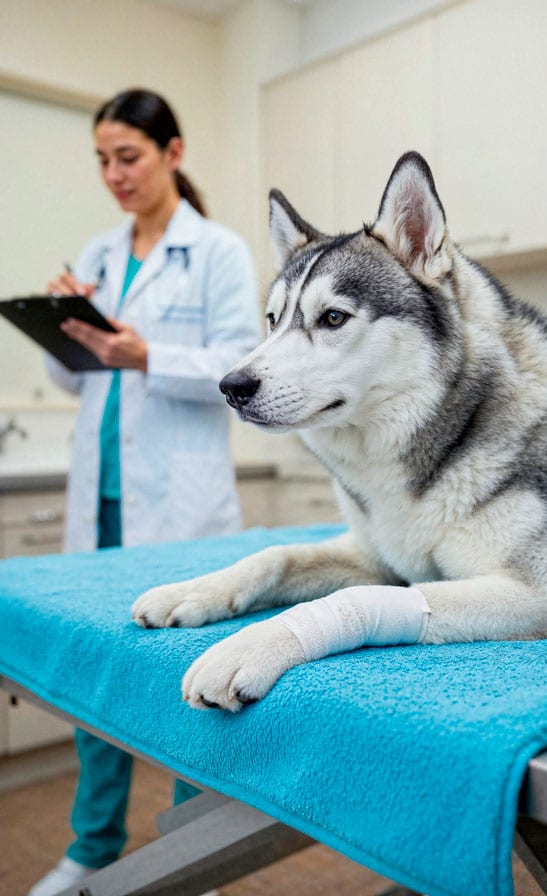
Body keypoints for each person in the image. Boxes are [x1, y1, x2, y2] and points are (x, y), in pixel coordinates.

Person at [29, 88, 260, 896]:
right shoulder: (99, 252)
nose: (113, 174)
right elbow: (74, 378)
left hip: (181, 501)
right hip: (104, 494)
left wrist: (145, 354)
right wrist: (71, 327)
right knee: (99, 677)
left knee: (187, 686)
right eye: (102, 159)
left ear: (173, 152)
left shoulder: (220, 252)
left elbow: (241, 367)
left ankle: (194, 854)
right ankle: (92, 847)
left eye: (127, 156)